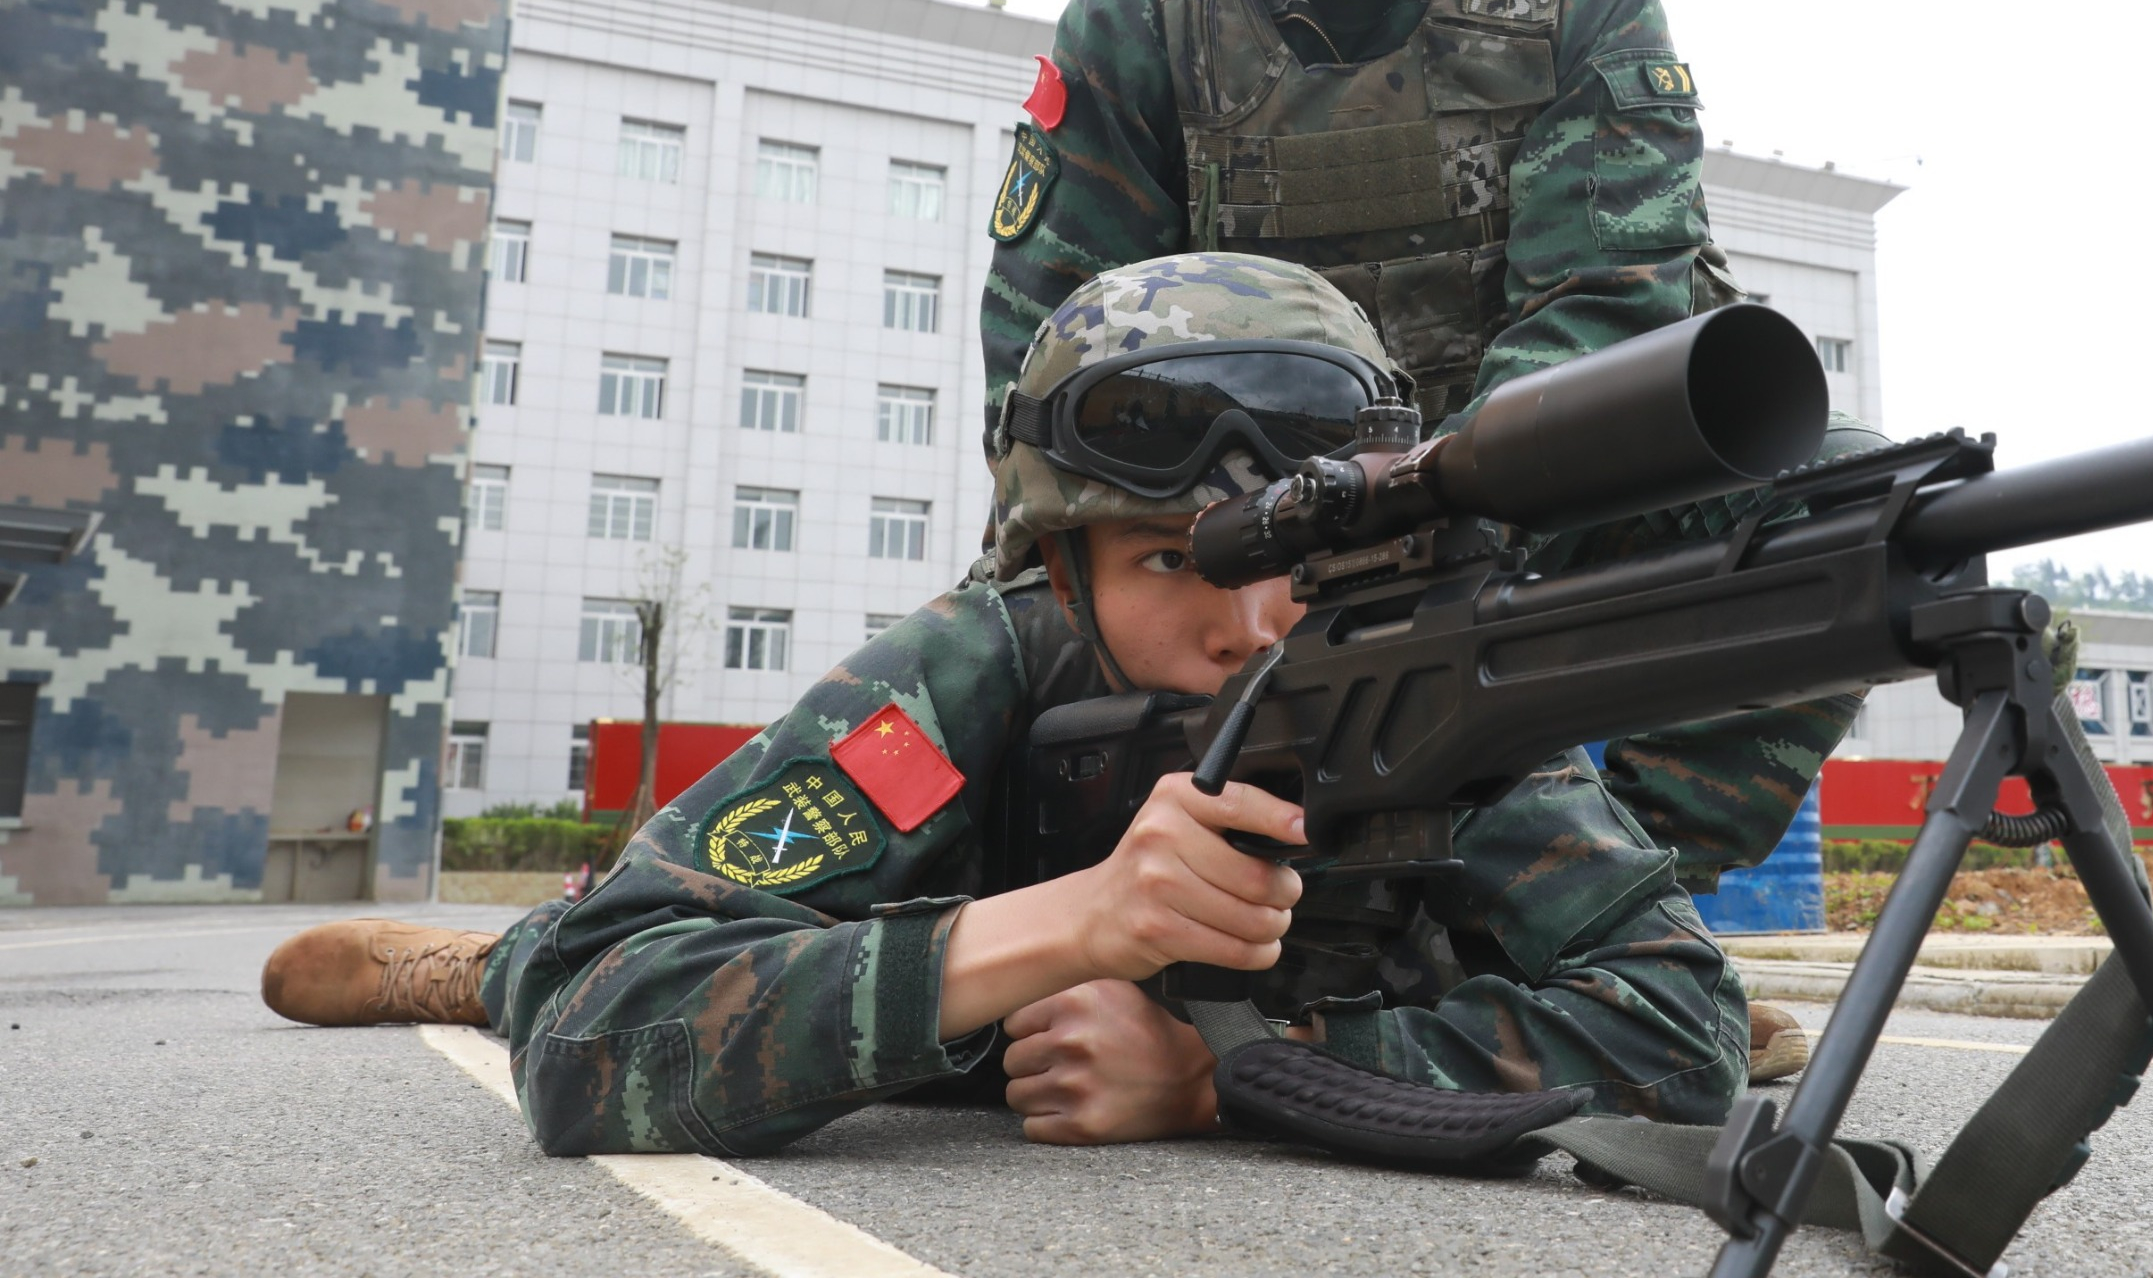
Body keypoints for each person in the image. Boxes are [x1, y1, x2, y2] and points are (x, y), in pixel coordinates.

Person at [980, 0, 1857, 1076]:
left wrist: (1421, 534)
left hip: (1511, 521)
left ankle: (1585, 919)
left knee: (1846, 519)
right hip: (1221, 547)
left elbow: (1607, 307)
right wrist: (1161, 566)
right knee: (970, 701)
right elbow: (1048, 343)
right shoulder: (1141, 14)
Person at [263, 255, 1749, 1154]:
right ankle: (478, 957)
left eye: (1299, 562)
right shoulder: (972, 671)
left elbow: (1685, 1036)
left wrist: (1230, 1077)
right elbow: (598, 1041)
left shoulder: (1409, 666)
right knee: (554, 966)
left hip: (1289, 1012)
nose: (1246, 626)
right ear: (1059, 558)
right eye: (1172, 559)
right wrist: (1059, 929)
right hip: (915, 968)